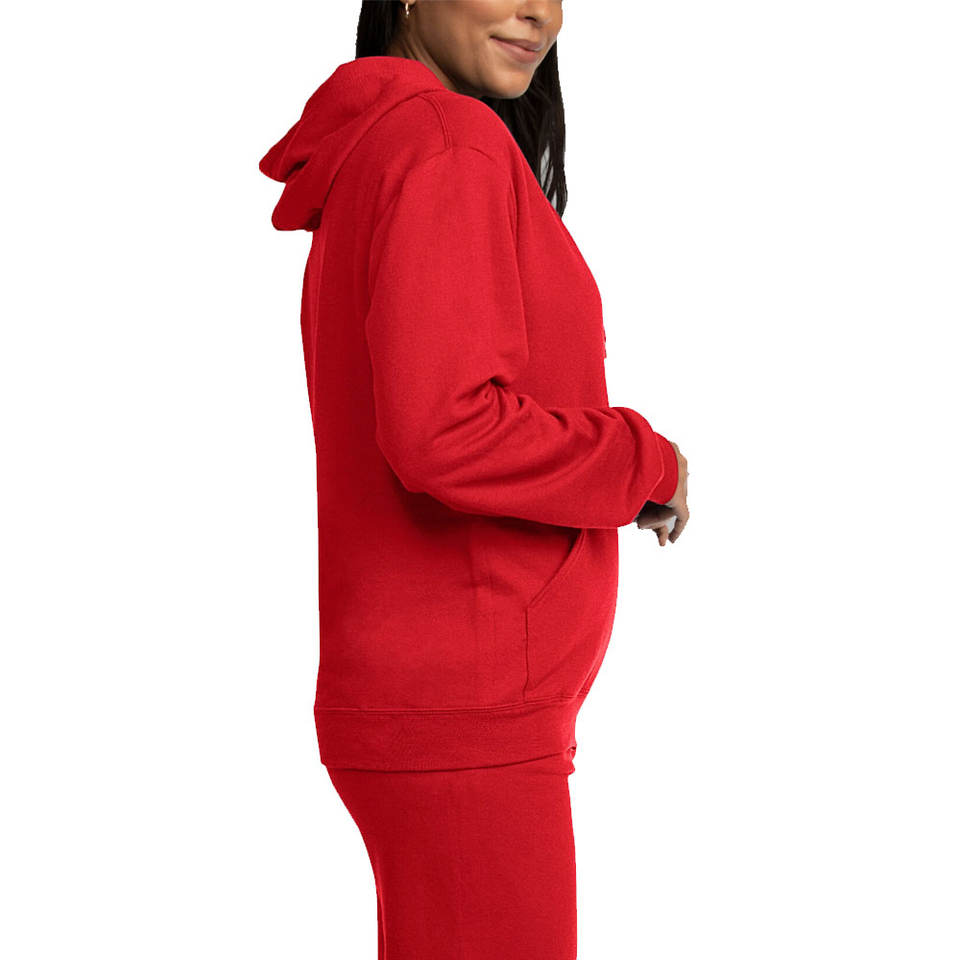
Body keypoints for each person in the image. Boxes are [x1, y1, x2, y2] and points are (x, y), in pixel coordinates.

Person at [259, 1, 690, 956]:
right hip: (465, 713)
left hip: (442, 706)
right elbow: (444, 430)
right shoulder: (445, 141)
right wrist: (642, 460)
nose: (543, 14)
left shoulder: (395, 142)